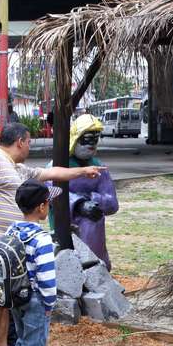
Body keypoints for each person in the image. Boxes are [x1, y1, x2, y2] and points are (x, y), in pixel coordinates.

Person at [0, 123, 104, 346]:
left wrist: (83, 171)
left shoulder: (18, 168)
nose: (30, 146)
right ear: (20, 141)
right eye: (30, 142)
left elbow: (50, 172)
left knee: (5, 302)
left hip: (13, 249)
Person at [4, 179, 60, 346]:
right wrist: (50, 304)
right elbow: (47, 276)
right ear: (42, 207)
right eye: (49, 202)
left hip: (16, 297)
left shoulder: (11, 230)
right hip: (36, 299)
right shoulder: (42, 239)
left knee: (21, 342)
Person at [47, 114, 118, 269]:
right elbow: (49, 191)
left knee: (93, 221)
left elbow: (112, 203)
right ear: (76, 138)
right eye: (87, 138)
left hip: (93, 227)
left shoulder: (99, 168)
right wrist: (79, 204)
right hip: (64, 223)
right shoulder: (58, 164)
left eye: (95, 138)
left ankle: (95, 267)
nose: (92, 143)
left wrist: (94, 199)